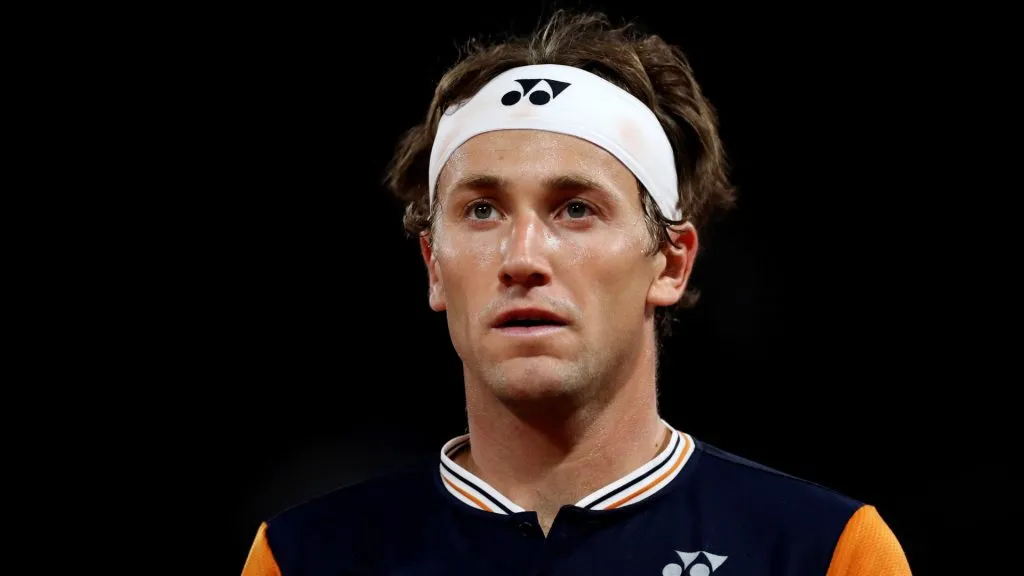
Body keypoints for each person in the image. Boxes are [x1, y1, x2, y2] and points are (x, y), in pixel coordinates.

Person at [241, 10, 912, 576]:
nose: (522, 257)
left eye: (575, 209)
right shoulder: (302, 557)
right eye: (482, 211)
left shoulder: (824, 553)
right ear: (434, 266)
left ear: (671, 263)